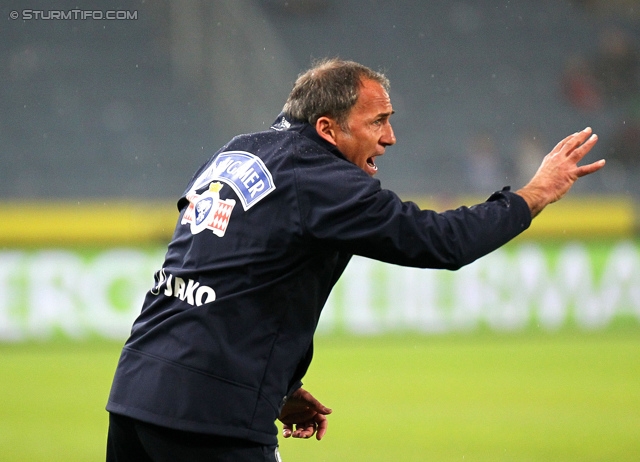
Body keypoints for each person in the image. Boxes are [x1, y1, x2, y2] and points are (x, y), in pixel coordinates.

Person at [106, 58, 605, 461]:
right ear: (327, 128)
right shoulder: (321, 179)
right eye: (378, 122)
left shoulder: (237, 152)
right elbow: (439, 241)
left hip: (136, 394)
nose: (390, 139)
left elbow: (227, 266)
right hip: (211, 414)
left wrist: (281, 385)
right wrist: (533, 195)